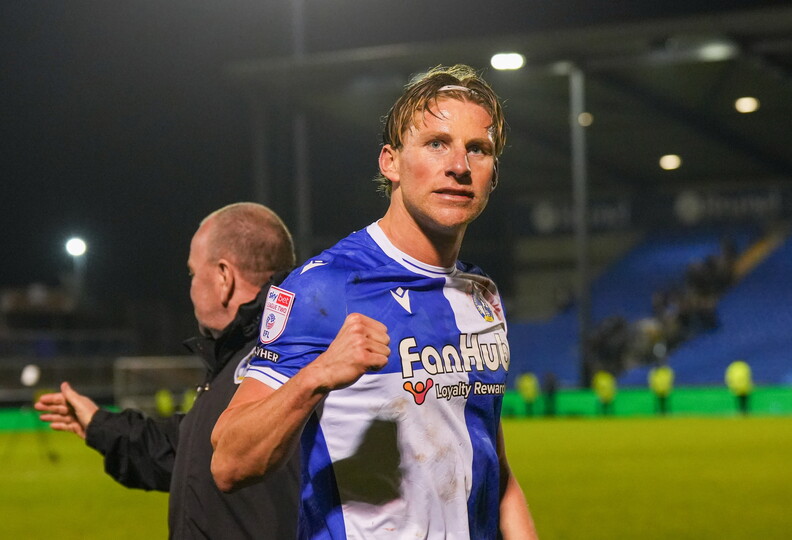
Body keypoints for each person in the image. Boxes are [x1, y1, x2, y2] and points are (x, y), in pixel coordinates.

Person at [210, 65, 538, 539]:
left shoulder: (480, 295)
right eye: (436, 143)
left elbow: (494, 466)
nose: (459, 166)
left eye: (478, 149)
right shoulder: (324, 288)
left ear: (492, 174)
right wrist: (319, 374)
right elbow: (230, 461)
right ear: (391, 162)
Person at [35, 202, 301, 539]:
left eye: (193, 273)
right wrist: (101, 425)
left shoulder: (281, 359)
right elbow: (189, 454)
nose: (190, 286)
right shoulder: (243, 354)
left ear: (224, 277)